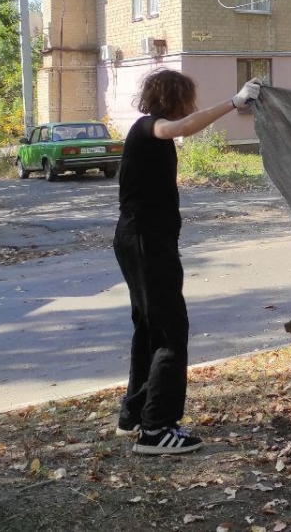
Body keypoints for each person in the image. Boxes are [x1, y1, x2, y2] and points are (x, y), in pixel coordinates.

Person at [115, 70, 262, 454]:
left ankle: (134, 414)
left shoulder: (147, 130)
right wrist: (233, 102)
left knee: (149, 327)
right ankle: (156, 430)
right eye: (189, 98)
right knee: (169, 331)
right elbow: (179, 128)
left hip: (142, 240)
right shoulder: (151, 128)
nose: (192, 105)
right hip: (146, 242)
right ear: (173, 98)